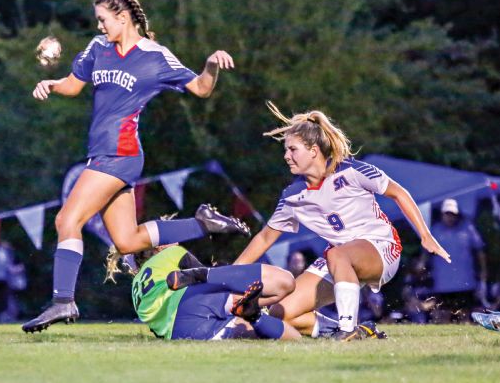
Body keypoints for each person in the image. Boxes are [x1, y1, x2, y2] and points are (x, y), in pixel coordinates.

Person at [22, 0, 247, 333]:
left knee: (67, 220)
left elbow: (202, 89)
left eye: (103, 18)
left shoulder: (155, 57)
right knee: (126, 242)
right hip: (103, 156)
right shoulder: (98, 47)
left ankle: (63, 301)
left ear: (123, 17)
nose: (99, 25)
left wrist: (212, 65)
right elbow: (73, 84)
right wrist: (52, 84)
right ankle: (202, 224)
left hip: (121, 154)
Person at [231, 103, 451, 341]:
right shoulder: (292, 195)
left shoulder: (352, 170)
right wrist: (229, 276)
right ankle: (351, 332)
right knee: (279, 313)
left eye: (292, 149)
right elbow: (264, 238)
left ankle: (348, 329)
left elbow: (399, 193)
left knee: (337, 254)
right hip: (338, 257)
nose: (286, 156)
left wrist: (425, 235)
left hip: (381, 247)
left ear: (313, 150)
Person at [108, 243, 301, 340]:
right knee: (286, 282)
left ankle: (253, 313)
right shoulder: (169, 253)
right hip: (194, 298)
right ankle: (247, 305)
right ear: (157, 246)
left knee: (256, 329)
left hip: (181, 331)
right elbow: (216, 281)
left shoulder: (136, 289)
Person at [423, 198, 487, 323]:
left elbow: (479, 250)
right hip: (442, 283)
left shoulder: (468, 229)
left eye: (453, 214)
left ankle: (465, 339)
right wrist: (422, 266)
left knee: (465, 313)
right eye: (447, 214)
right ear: (442, 214)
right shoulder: (434, 231)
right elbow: (426, 253)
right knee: (443, 313)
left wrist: (483, 271)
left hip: (466, 281)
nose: (450, 217)